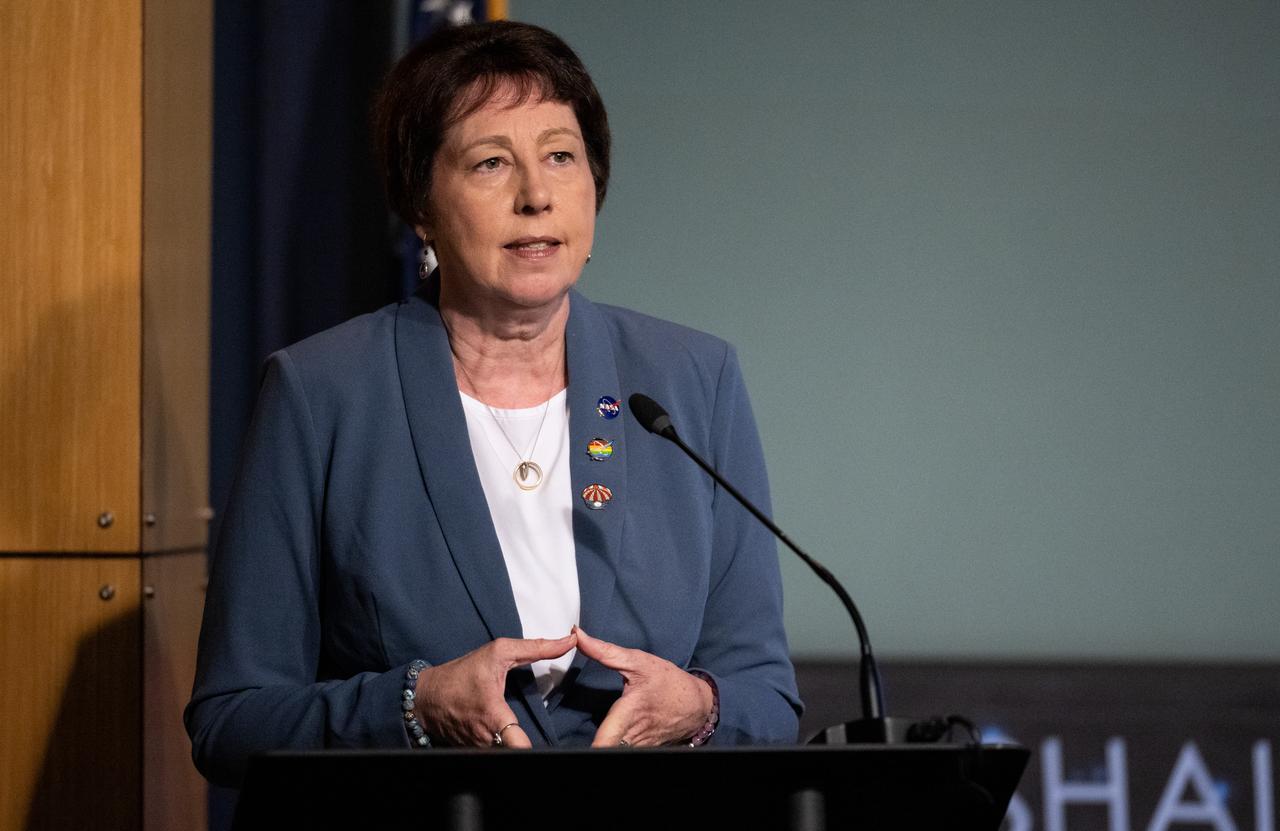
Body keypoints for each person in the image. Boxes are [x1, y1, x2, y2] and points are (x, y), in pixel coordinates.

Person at [185, 20, 801, 787]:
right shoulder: (322, 394)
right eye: (490, 163)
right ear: (421, 208)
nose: (536, 195)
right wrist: (413, 705)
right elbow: (230, 720)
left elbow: (768, 698)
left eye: (559, 157)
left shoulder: (691, 382)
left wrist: (698, 706)